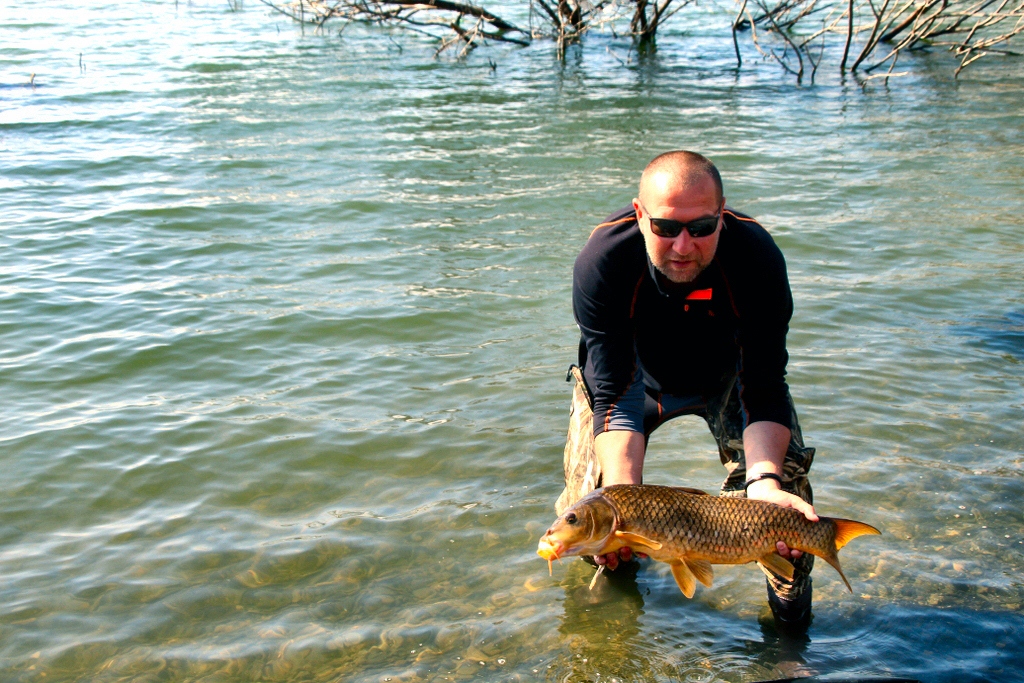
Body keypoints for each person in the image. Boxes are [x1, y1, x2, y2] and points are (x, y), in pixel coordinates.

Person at [555, 150, 818, 631]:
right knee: (591, 519)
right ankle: (615, 624)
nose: (682, 246)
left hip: (728, 381)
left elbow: (763, 383)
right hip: (630, 382)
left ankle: (789, 633)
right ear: (639, 216)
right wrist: (622, 500)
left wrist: (763, 483)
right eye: (665, 228)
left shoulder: (756, 255)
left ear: (722, 215)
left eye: (701, 228)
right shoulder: (603, 261)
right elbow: (614, 393)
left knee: (789, 503)